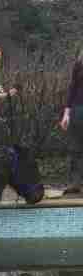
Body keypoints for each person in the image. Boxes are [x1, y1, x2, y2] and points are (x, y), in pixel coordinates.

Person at [59, 45, 83, 195]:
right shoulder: (79, 63)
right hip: (78, 109)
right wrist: (66, 114)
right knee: (75, 148)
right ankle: (75, 183)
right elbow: (72, 88)